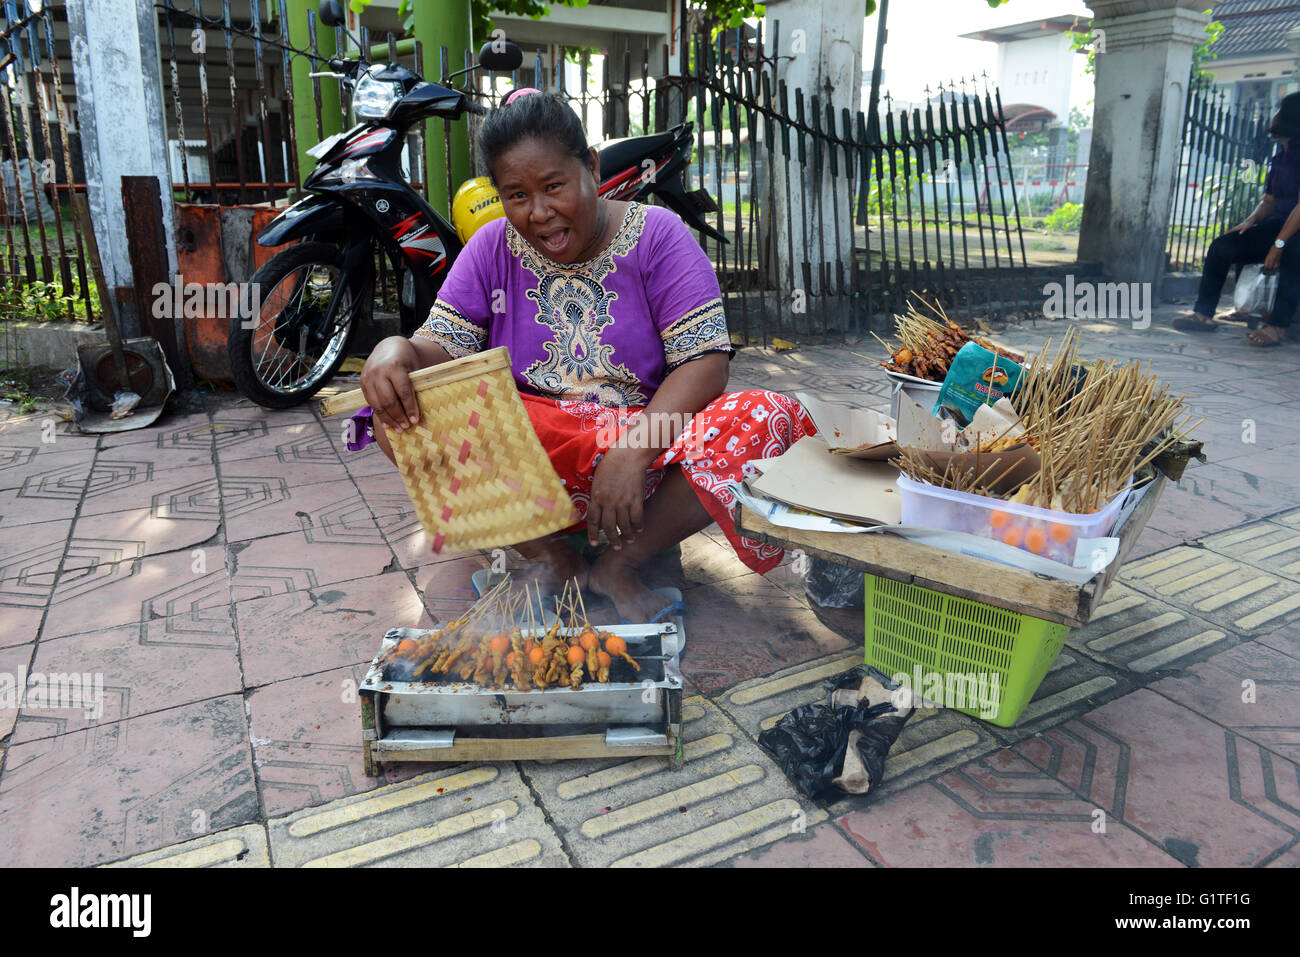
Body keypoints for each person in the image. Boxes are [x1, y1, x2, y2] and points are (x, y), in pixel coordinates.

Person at [358, 91, 817, 622]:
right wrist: (392, 351)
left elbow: (704, 363)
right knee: (399, 414)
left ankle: (620, 563)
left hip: (643, 462)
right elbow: (437, 348)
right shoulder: (490, 247)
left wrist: (632, 451)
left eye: (554, 186)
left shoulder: (658, 237)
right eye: (517, 195)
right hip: (533, 452)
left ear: (591, 167)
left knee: (767, 419)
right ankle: (552, 559)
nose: (540, 212)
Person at [1173, 92, 1300, 346]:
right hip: (1278, 225)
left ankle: (1277, 326)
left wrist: (1278, 245)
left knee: (1294, 255)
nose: (1274, 116)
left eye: (1280, 111)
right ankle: (1203, 314)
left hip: (1296, 230)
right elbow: (1269, 201)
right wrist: (1250, 222)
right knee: (1223, 246)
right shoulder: (1280, 156)